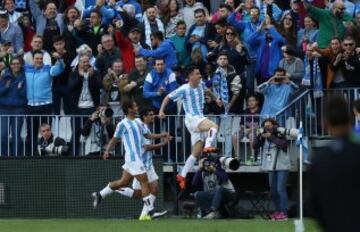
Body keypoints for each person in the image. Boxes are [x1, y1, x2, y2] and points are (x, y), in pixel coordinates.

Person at [91, 101, 168, 220]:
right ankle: (151, 211)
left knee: (123, 182)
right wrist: (107, 151)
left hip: (136, 158)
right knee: (144, 182)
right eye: (135, 106)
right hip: (133, 158)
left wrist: (161, 135)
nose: (137, 107)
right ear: (129, 109)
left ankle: (100, 194)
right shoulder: (122, 124)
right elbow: (115, 139)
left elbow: (147, 135)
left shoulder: (138, 122)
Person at [159, 65, 219, 190]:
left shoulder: (201, 84)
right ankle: (208, 147)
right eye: (197, 74)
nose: (200, 75)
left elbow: (208, 91)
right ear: (191, 76)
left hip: (198, 119)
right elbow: (167, 97)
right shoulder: (184, 88)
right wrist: (161, 111)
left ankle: (182, 175)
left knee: (196, 153)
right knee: (214, 126)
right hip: (192, 118)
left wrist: (216, 99)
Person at [311, 96, 360, 232]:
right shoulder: (356, 153)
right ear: (350, 120)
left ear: (325, 123)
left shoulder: (319, 160)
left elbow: (315, 203)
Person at [116, 107, 172, 220]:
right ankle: (115, 188)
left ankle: (144, 215)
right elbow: (146, 147)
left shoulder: (145, 127)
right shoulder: (139, 126)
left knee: (155, 188)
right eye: (150, 114)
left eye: (153, 114)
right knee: (138, 193)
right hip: (139, 164)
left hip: (148, 164)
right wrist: (163, 143)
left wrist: (162, 136)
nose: (153, 117)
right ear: (144, 117)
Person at [25, 50, 65, 156]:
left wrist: (59, 59)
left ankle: (46, 155)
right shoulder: (26, 69)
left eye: (40, 58)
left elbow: (59, 69)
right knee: (31, 133)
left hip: (45, 105)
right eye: (37, 58)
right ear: (32, 59)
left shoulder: (48, 69)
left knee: (46, 133)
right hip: (31, 106)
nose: (39, 60)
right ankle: (30, 156)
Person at [252, 118, 290, 221]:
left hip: (282, 166)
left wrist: (271, 137)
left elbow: (284, 144)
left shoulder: (280, 133)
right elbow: (254, 146)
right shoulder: (264, 136)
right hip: (271, 167)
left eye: (269, 126)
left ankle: (284, 212)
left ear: (274, 126)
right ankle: (278, 212)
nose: (267, 128)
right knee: (273, 191)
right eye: (265, 126)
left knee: (280, 189)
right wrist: (259, 136)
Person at [212, 52, 242, 157]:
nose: (223, 60)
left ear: (227, 61)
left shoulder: (234, 75)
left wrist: (229, 104)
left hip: (228, 108)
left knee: (228, 132)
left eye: (225, 58)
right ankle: (213, 154)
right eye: (220, 58)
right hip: (216, 108)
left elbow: (236, 93)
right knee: (213, 131)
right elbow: (212, 90)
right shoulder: (215, 74)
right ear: (217, 61)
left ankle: (228, 155)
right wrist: (215, 99)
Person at [0, 56, 26, 156]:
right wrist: (6, 87)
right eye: (13, 64)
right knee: (3, 135)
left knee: (16, 135)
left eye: (17, 63)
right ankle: (4, 157)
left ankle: (16, 158)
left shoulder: (25, 76)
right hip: (4, 109)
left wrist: (20, 89)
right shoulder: (4, 76)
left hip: (18, 109)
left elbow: (25, 95)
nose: (15, 65)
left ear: (21, 64)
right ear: (10, 65)